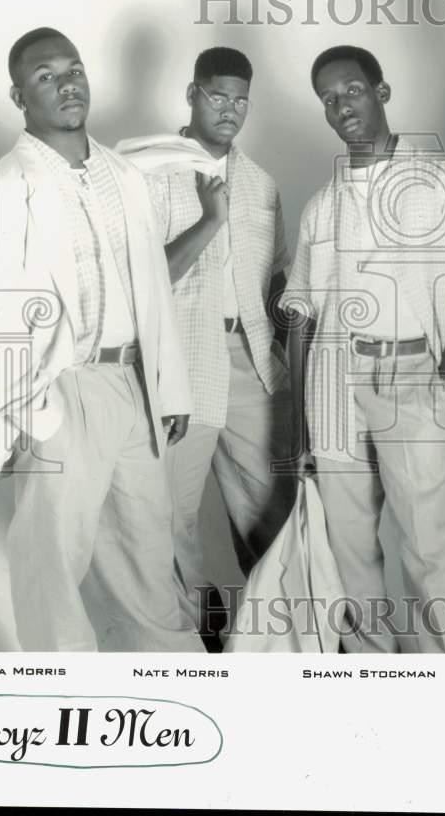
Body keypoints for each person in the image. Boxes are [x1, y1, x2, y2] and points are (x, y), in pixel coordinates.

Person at [0, 27, 202, 653]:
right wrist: (34, 415)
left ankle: (181, 701)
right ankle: (60, 704)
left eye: (74, 69)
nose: (66, 83)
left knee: (149, 562)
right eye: (45, 75)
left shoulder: (123, 176)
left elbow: (150, 287)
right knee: (54, 572)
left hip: (132, 386)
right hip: (58, 393)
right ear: (18, 95)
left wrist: (166, 388)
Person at [280, 46, 445, 653]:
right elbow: (299, 313)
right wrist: (300, 426)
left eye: (351, 89)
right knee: (349, 550)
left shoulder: (443, 181)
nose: (340, 105)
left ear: (382, 91)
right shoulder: (322, 207)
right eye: (328, 98)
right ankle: (374, 682)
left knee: (429, 547)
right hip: (334, 383)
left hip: (414, 374)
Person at [145, 47, 295, 647]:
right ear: (191, 93)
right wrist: (207, 222)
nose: (230, 110)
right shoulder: (148, 174)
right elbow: (141, 280)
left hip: (253, 363)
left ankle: (279, 642)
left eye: (240, 101)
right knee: (170, 519)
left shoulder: (260, 183)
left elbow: (275, 278)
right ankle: (201, 643)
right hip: (179, 363)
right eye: (217, 96)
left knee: (274, 512)